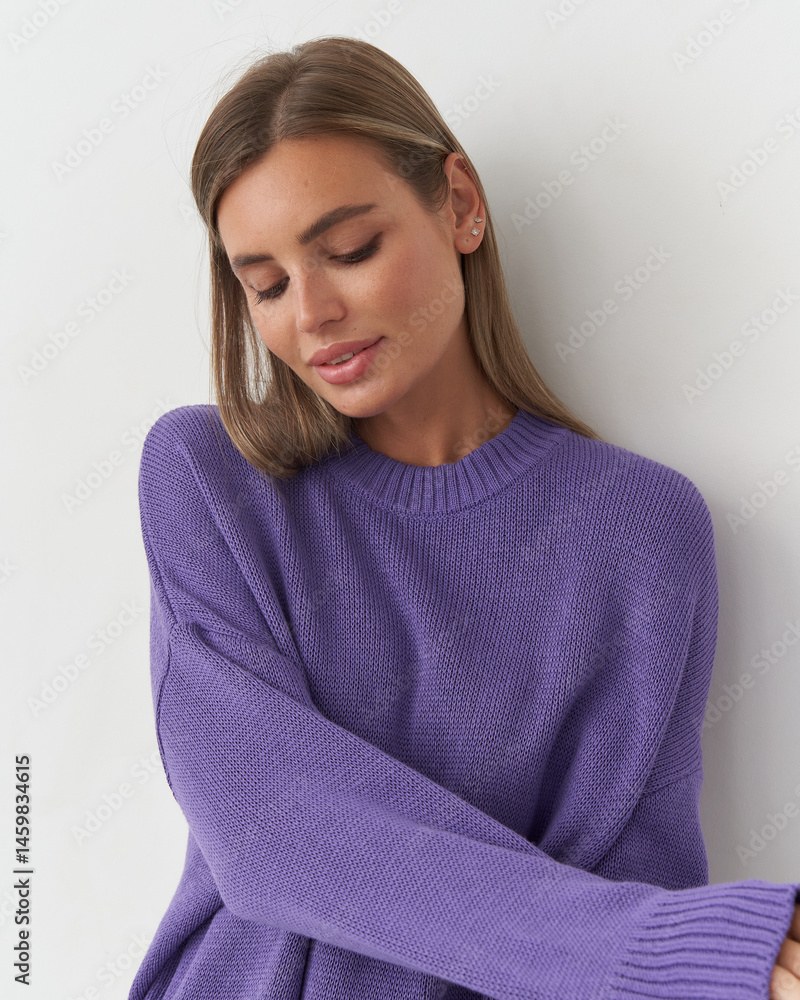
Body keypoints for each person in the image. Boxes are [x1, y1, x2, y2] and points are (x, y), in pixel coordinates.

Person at [127, 35, 800, 1000]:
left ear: (460, 204)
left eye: (349, 251)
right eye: (265, 284)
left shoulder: (642, 531)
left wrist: (694, 955)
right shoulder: (211, 480)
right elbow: (270, 825)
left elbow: (629, 889)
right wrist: (661, 946)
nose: (310, 312)